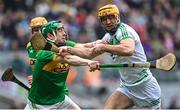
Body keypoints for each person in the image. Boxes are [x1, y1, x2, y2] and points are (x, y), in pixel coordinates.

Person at [62, 4, 161, 109]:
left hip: (145, 86)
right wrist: (68, 48)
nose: (108, 22)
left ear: (117, 17)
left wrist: (104, 48)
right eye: (104, 19)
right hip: (127, 87)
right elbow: (89, 53)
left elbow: (128, 50)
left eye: (111, 17)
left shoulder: (124, 31)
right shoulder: (108, 37)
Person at [24, 21, 100, 109]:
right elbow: (68, 59)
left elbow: (85, 47)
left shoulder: (66, 45)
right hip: (41, 105)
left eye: (63, 30)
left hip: (61, 100)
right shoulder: (44, 53)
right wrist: (88, 62)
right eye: (60, 31)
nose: (64, 33)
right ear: (50, 36)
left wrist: (100, 43)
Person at [26, 17, 48, 85]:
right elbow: (35, 68)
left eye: (41, 29)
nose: (39, 32)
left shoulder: (56, 41)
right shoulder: (30, 46)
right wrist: (35, 77)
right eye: (36, 30)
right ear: (32, 31)